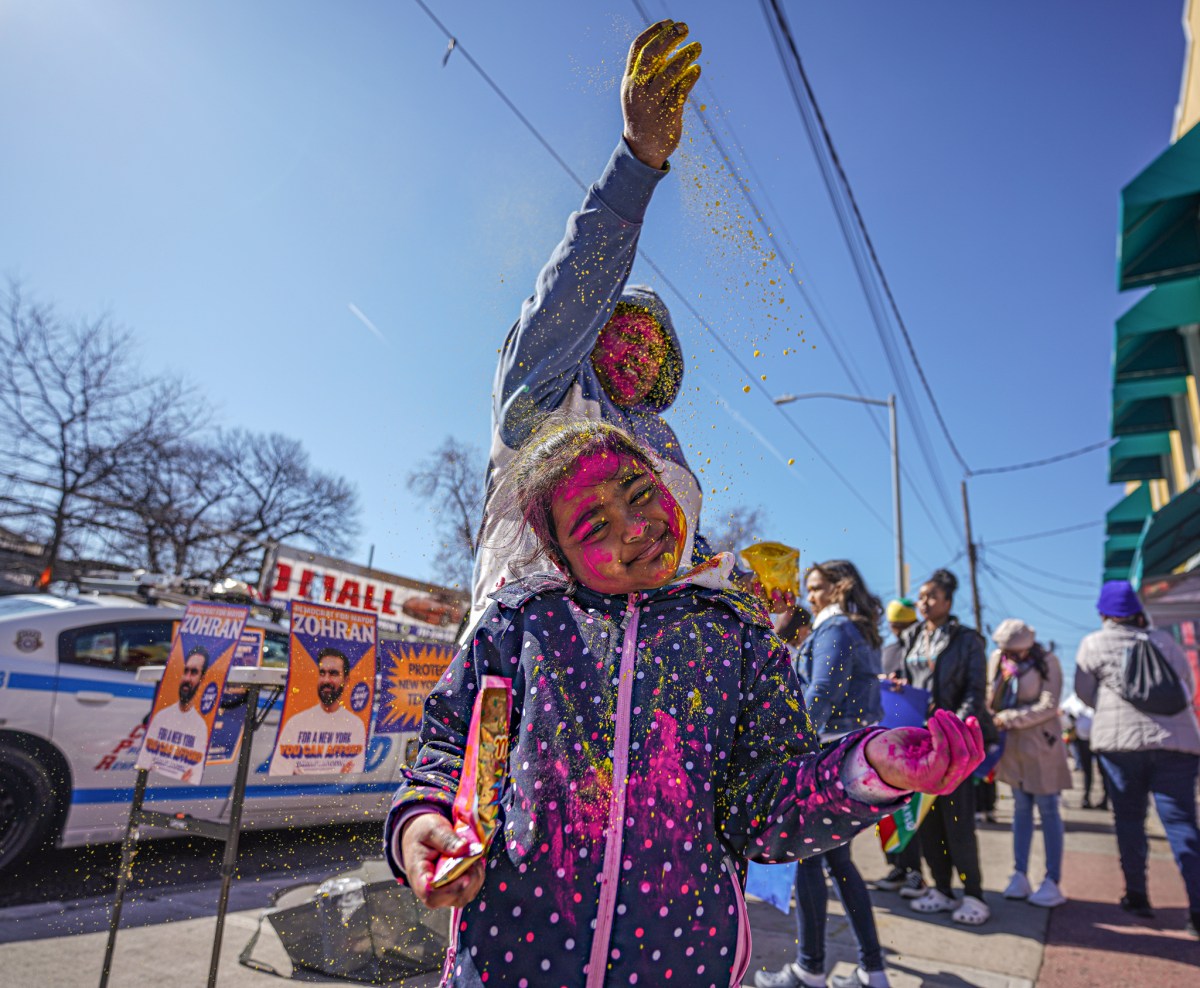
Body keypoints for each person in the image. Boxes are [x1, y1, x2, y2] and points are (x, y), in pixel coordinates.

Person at [385, 421, 985, 988]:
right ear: (558, 552)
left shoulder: (737, 633)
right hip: (508, 959)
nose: (636, 527)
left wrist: (868, 768)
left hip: (685, 961)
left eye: (640, 493)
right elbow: (452, 749)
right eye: (594, 527)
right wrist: (424, 821)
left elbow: (768, 802)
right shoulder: (522, 624)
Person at [468, 18, 715, 636]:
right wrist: (638, 161)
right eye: (622, 330)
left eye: (655, 347)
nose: (639, 351)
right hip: (517, 669)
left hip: (638, 681)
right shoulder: (549, 391)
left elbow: (677, 554)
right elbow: (577, 282)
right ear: (590, 333)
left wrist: (732, 586)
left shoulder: (662, 447)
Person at [757, 561, 889, 988]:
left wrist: (791, 747)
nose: (809, 596)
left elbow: (820, 693)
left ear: (839, 587)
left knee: (811, 861)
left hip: (826, 753)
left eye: (816, 588)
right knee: (837, 863)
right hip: (846, 754)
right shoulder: (856, 629)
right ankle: (872, 969)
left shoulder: (834, 630)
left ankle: (810, 970)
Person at [1074, 579, 1200, 937]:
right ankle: (1198, 909)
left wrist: (1112, 708)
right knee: (1182, 825)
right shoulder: (1165, 641)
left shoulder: (1094, 643)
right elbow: (1186, 688)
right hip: (1178, 741)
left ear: (1103, 612)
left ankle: (1137, 896)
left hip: (1120, 743)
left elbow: (1084, 693)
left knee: (1129, 822)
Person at [896, 568, 997, 925]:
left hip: (951, 740)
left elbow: (975, 691)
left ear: (949, 602)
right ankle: (940, 888)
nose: (924, 602)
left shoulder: (967, 639)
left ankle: (974, 895)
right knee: (927, 820)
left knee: (958, 821)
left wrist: (954, 728)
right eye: (922, 596)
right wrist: (897, 687)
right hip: (917, 741)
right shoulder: (911, 637)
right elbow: (908, 680)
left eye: (932, 597)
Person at [987, 619, 1072, 909]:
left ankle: (1052, 879)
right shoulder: (998, 659)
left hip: (1041, 746)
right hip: (1012, 748)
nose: (1010, 654)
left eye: (1015, 650)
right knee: (1020, 809)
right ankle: (1020, 873)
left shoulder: (1047, 662)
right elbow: (991, 695)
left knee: (1049, 810)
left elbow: (1048, 705)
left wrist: (1011, 718)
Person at [269, 648, 367, 775]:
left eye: (333, 674)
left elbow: (351, 778)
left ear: (346, 680)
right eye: (322, 673)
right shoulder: (295, 723)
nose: (326, 680)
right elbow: (278, 776)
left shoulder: (355, 725)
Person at [140, 645, 209, 771]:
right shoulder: (161, 716)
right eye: (185, 671)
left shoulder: (201, 725)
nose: (187, 678)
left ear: (202, 678)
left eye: (194, 672)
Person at [1060, 692, 1108, 810]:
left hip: (1101, 737)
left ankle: (1106, 799)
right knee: (1087, 770)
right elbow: (1064, 712)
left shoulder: (1102, 694)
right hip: (1083, 739)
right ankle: (1086, 797)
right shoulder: (1075, 698)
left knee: (1104, 771)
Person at [880, 598, 917, 677]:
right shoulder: (886, 652)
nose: (900, 631)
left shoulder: (925, 648)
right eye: (895, 626)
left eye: (904, 626)